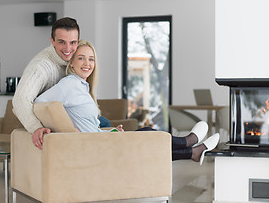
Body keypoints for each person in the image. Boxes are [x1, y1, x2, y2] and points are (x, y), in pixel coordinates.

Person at [35, 40, 220, 165]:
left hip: (101, 141)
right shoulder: (68, 84)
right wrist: (65, 129)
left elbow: (89, 126)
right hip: (95, 148)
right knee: (148, 136)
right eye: (81, 58)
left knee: (147, 143)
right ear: (71, 63)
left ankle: (193, 151)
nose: (87, 63)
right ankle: (189, 142)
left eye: (91, 59)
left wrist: (112, 131)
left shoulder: (82, 87)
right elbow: (39, 103)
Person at [12, 17, 80, 148]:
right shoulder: (41, 67)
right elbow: (20, 99)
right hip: (52, 128)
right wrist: (35, 127)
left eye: (72, 42)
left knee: (105, 124)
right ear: (52, 41)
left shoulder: (76, 60)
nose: (68, 48)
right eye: (62, 42)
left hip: (71, 121)